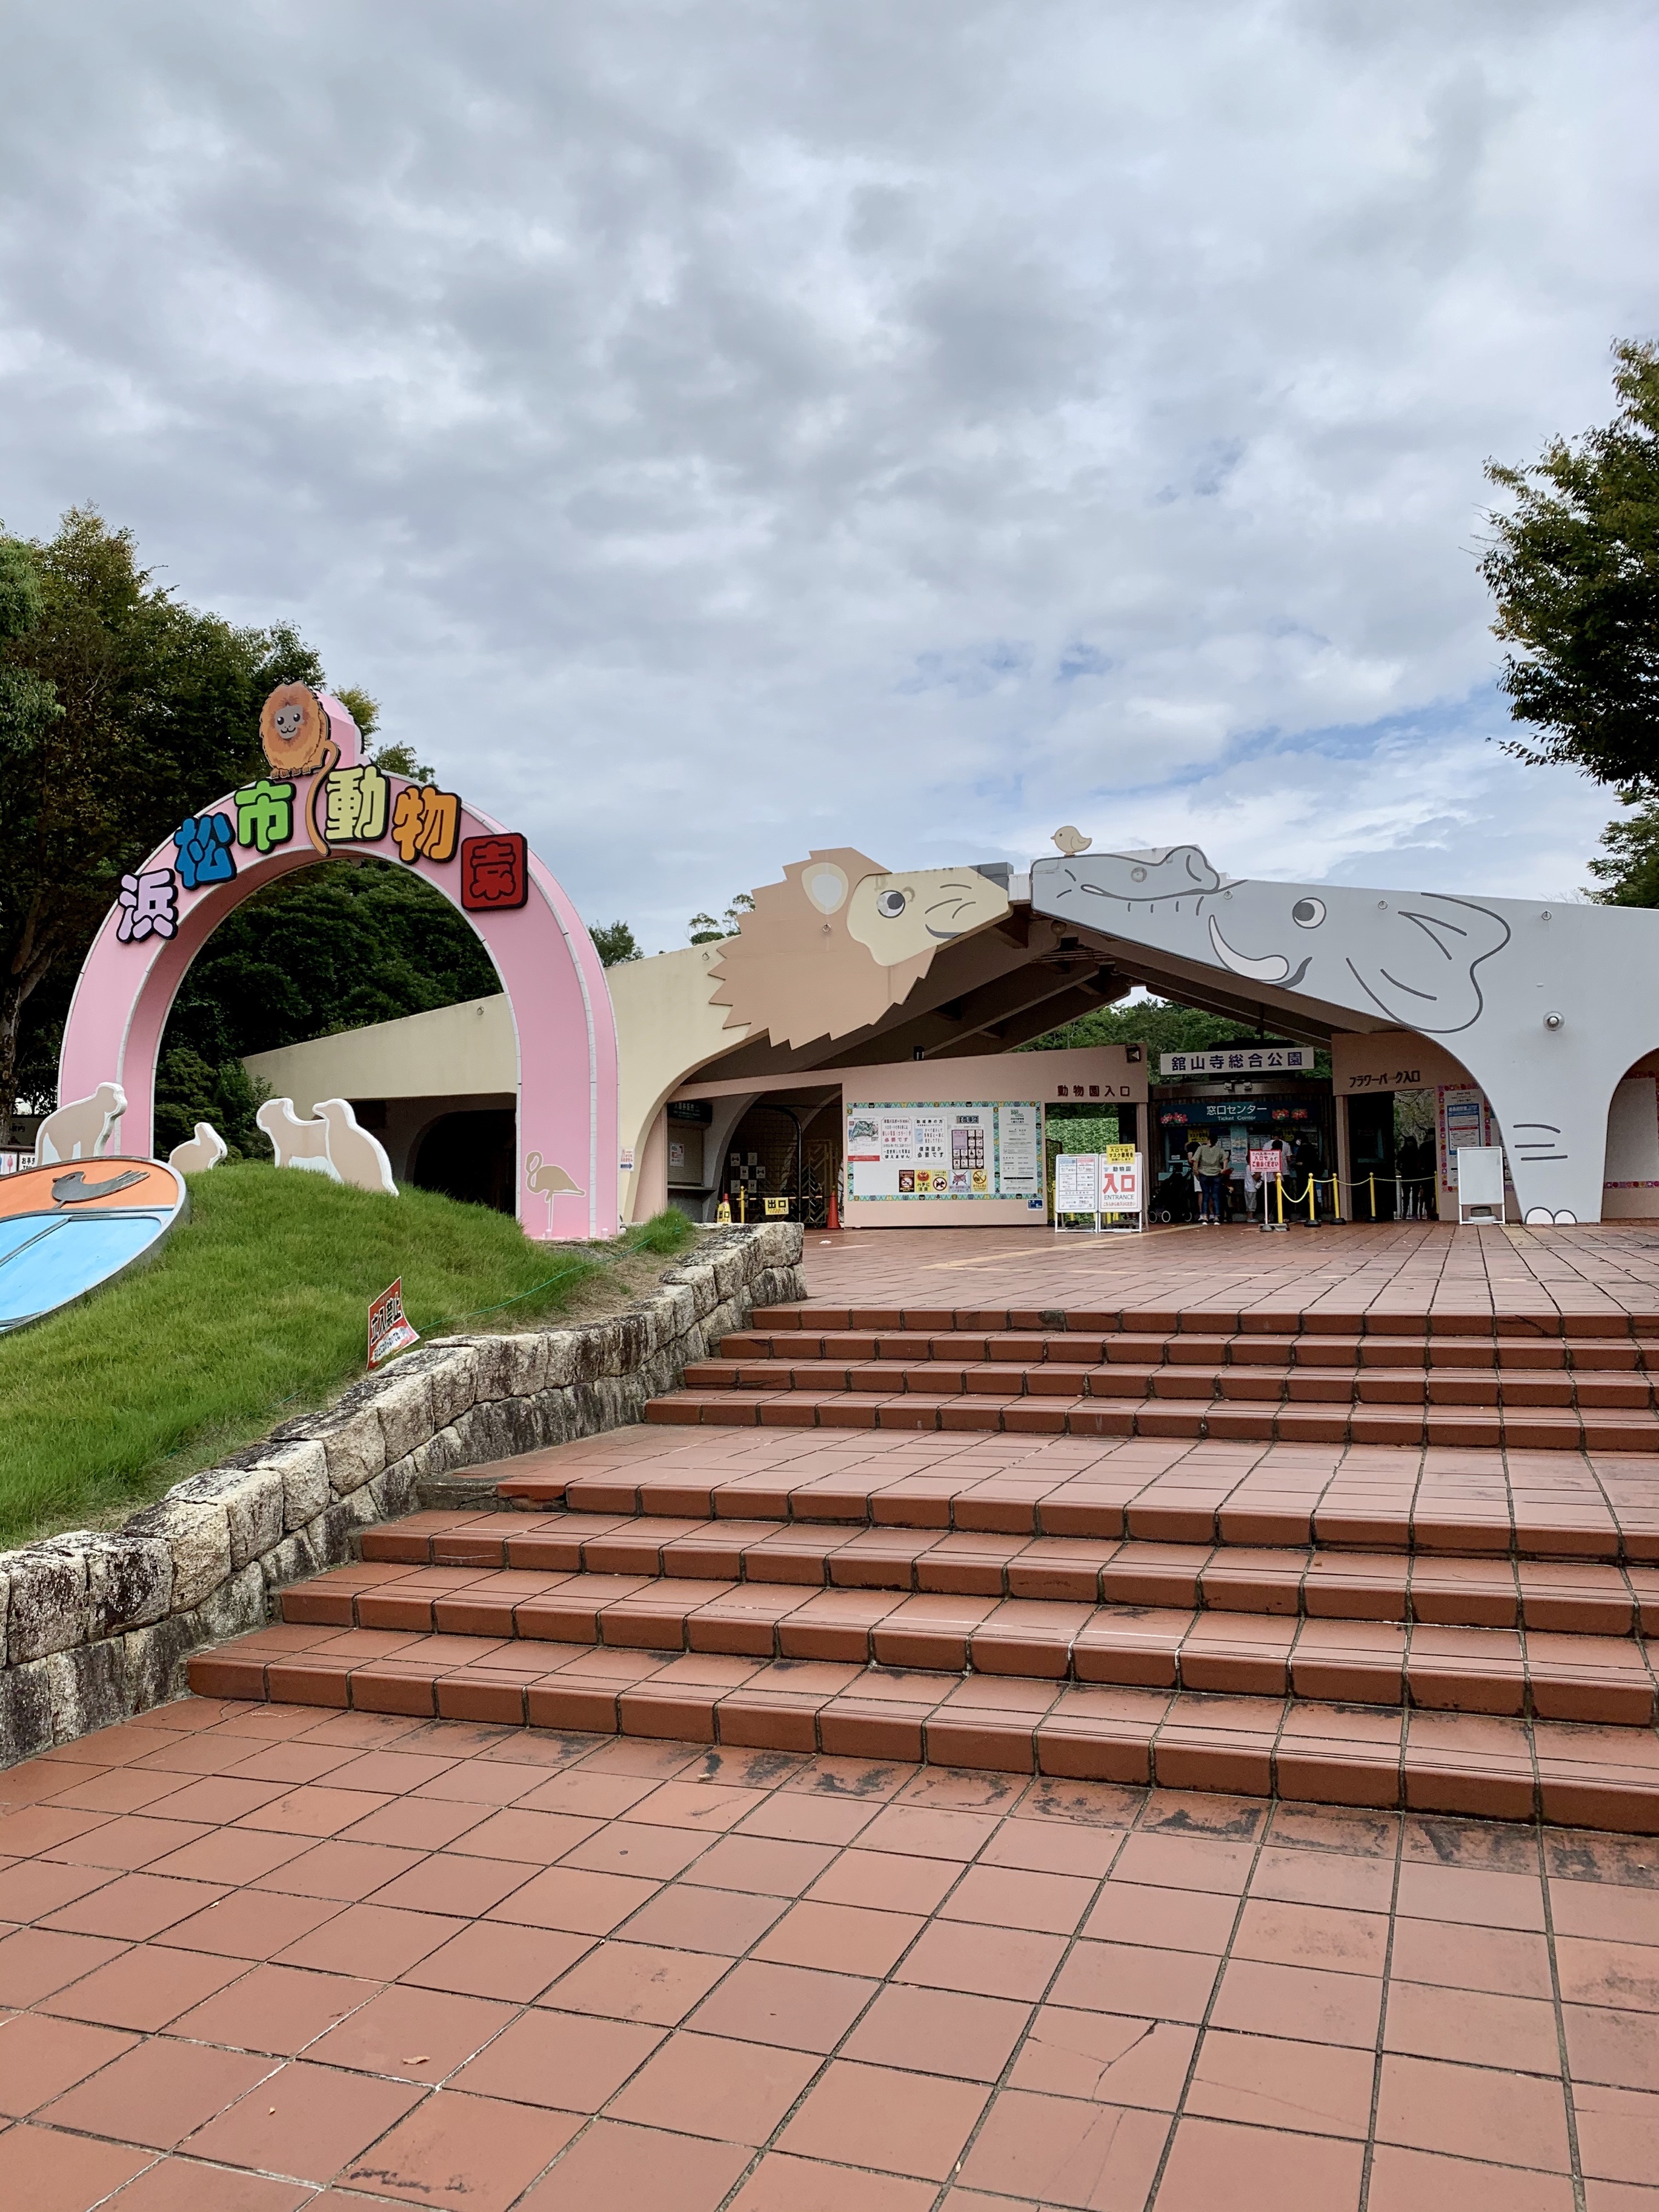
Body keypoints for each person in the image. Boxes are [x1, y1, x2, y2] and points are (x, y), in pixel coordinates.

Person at [1187, 1129, 1231, 1226]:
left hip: (1204, 1174)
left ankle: (1205, 1217)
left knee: (1205, 1196)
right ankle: (1216, 1217)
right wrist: (1224, 1169)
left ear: (1208, 1140)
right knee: (1215, 1196)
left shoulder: (1202, 1149)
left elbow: (1195, 1160)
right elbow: (1226, 1158)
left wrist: (1196, 1170)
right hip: (1216, 1174)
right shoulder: (1219, 1149)